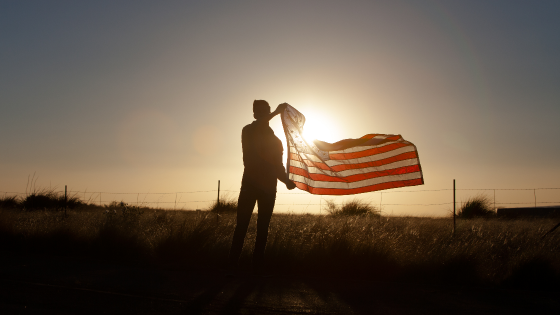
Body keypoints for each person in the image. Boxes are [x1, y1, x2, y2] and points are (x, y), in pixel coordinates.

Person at [227, 100, 296, 276]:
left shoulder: (276, 141)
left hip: (269, 190)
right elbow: (259, 128)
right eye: (259, 111)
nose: (262, 114)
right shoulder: (248, 130)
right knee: (241, 226)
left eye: (265, 111)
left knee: (263, 229)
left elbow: (278, 167)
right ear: (254, 114)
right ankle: (232, 266)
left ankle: (256, 268)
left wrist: (287, 181)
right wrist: (275, 113)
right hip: (249, 185)